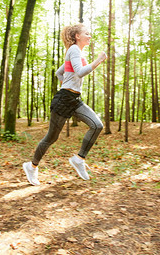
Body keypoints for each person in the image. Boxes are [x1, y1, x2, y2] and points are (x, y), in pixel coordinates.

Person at [23, 24, 107, 186]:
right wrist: (98, 60)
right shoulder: (74, 50)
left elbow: (59, 73)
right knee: (51, 137)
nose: (89, 36)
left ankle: (79, 159)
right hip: (64, 100)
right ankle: (32, 166)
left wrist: (67, 83)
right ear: (77, 36)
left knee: (96, 125)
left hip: (74, 99)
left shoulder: (78, 54)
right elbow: (80, 72)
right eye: (86, 33)